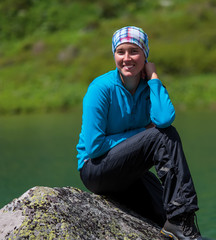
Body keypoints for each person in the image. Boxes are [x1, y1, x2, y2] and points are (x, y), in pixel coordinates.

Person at [76, 26, 202, 240]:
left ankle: (183, 223)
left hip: (129, 173)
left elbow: (163, 119)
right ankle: (181, 218)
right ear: (114, 55)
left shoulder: (149, 87)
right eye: (120, 52)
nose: (127, 58)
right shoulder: (100, 88)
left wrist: (153, 78)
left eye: (134, 51)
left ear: (145, 54)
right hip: (96, 170)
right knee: (163, 136)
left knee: (167, 214)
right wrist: (141, 132)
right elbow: (94, 147)